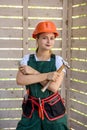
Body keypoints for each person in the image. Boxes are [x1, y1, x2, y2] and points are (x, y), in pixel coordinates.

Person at [16, 21, 69, 130]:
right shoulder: (27, 59)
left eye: (52, 38)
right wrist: (46, 76)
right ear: (37, 39)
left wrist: (33, 72)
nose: (49, 41)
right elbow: (21, 80)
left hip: (53, 111)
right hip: (31, 110)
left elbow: (54, 87)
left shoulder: (59, 62)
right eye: (45, 38)